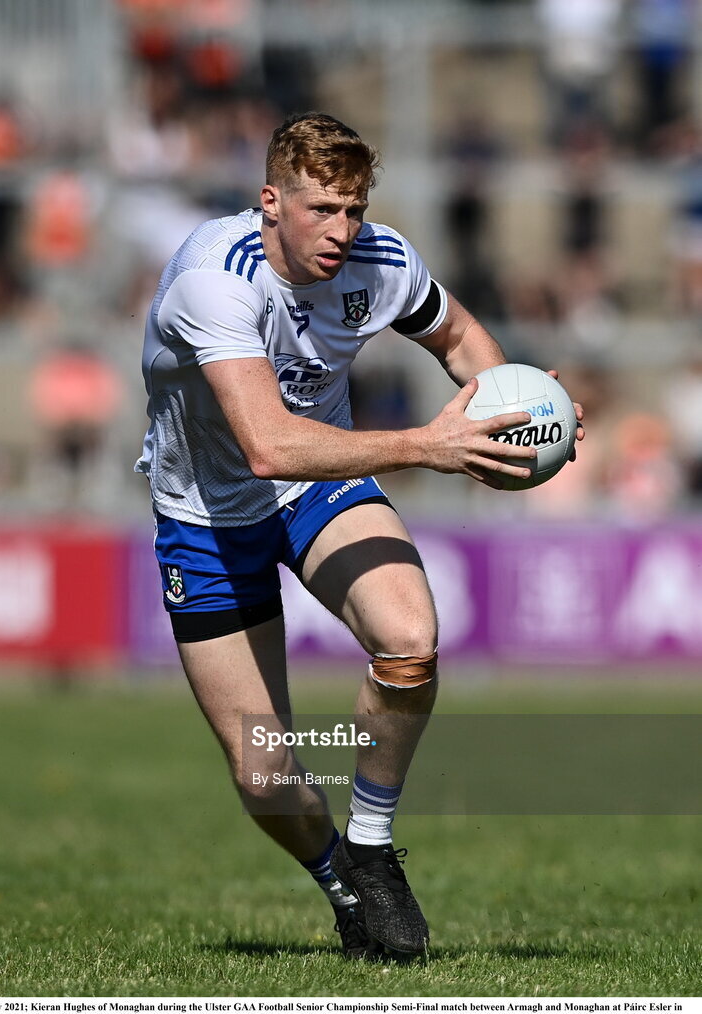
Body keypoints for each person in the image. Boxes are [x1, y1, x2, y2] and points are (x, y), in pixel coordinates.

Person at [135, 112, 583, 959]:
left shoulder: (380, 259)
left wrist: (522, 410)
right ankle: (342, 885)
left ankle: (373, 847)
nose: (341, 231)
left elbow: (455, 338)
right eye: (320, 211)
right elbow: (267, 445)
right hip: (207, 517)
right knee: (265, 772)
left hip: (322, 488)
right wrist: (428, 446)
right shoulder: (214, 281)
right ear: (270, 202)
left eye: (353, 209)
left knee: (410, 639)